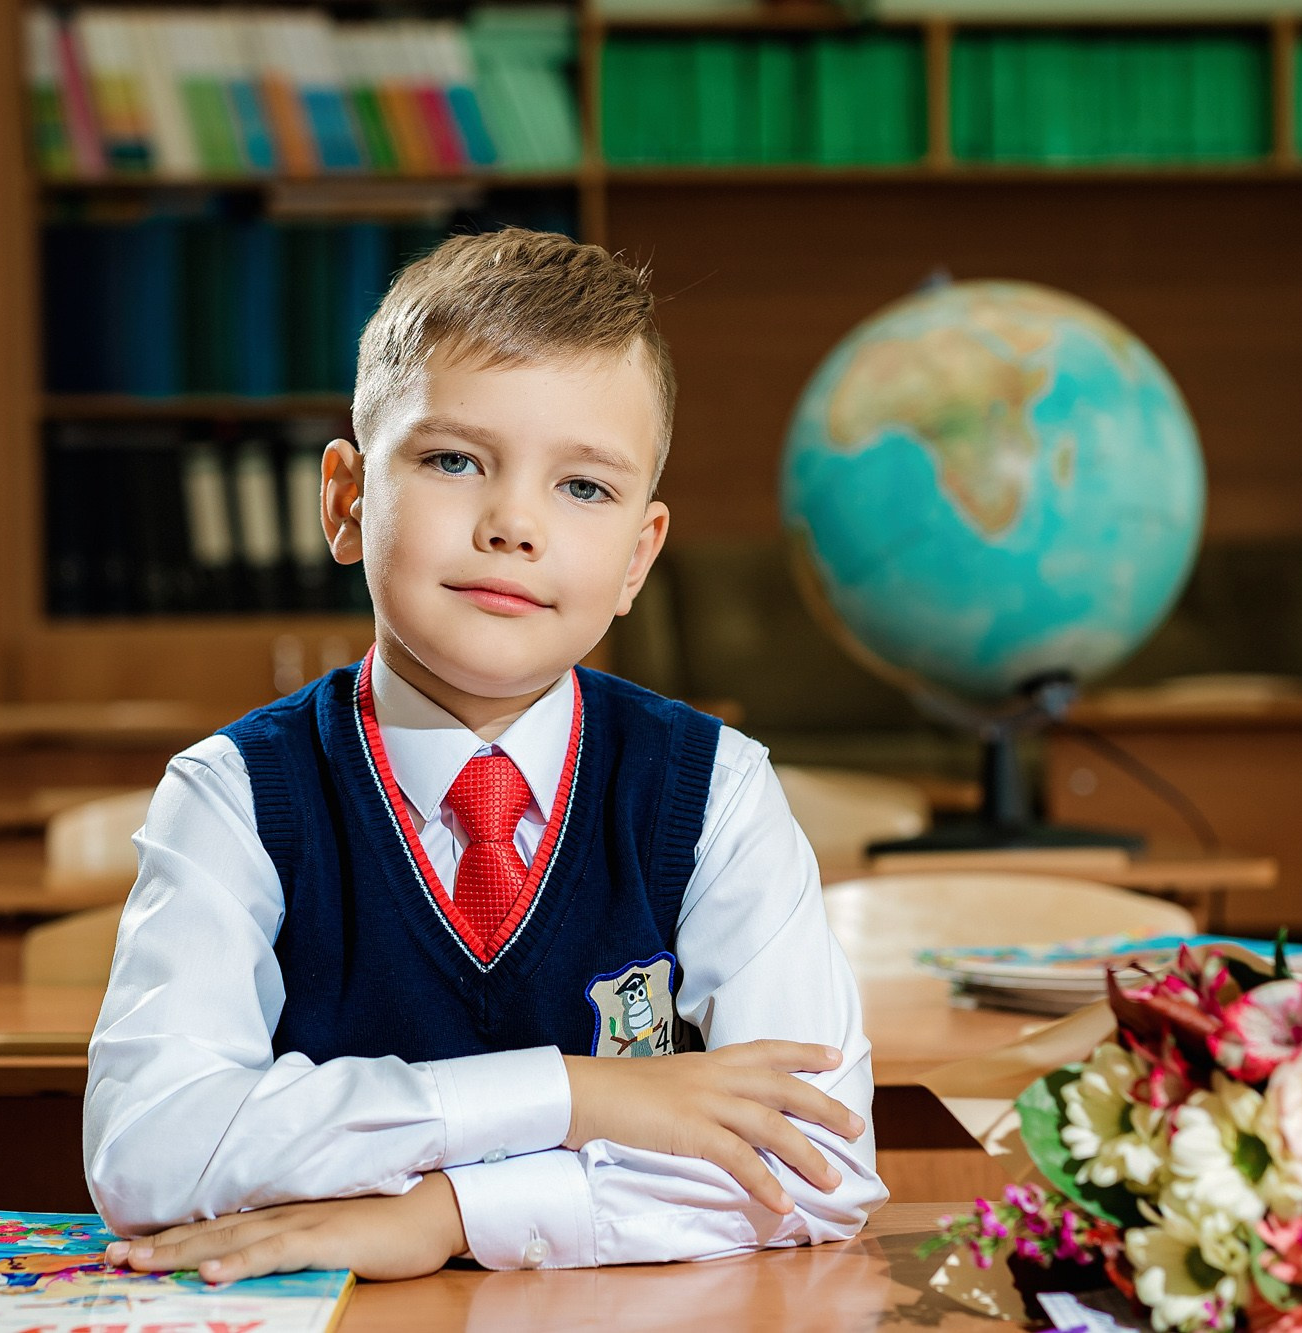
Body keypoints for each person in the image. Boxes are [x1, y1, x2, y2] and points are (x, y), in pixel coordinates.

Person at [83, 227, 885, 1283]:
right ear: (346, 500)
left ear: (637, 558)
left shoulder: (715, 793)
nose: (513, 524)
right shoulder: (234, 796)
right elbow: (149, 1151)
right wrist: (573, 1094)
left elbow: (816, 1164)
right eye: (453, 460)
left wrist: (455, 1211)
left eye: (583, 487)